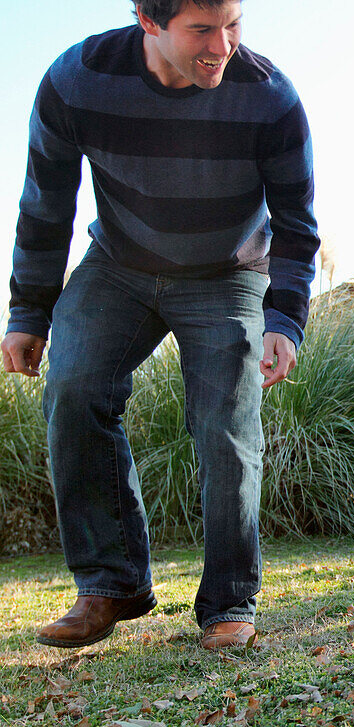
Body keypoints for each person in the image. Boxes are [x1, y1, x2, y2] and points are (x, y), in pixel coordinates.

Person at [1, 0, 320, 650]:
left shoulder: (269, 99)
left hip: (229, 272)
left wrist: (284, 319)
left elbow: (296, 224)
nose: (222, 45)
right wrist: (29, 311)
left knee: (225, 423)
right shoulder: (77, 81)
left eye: (233, 24)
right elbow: (46, 203)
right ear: (149, 21)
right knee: (74, 386)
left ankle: (229, 603)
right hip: (119, 263)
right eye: (202, 29)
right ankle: (111, 582)